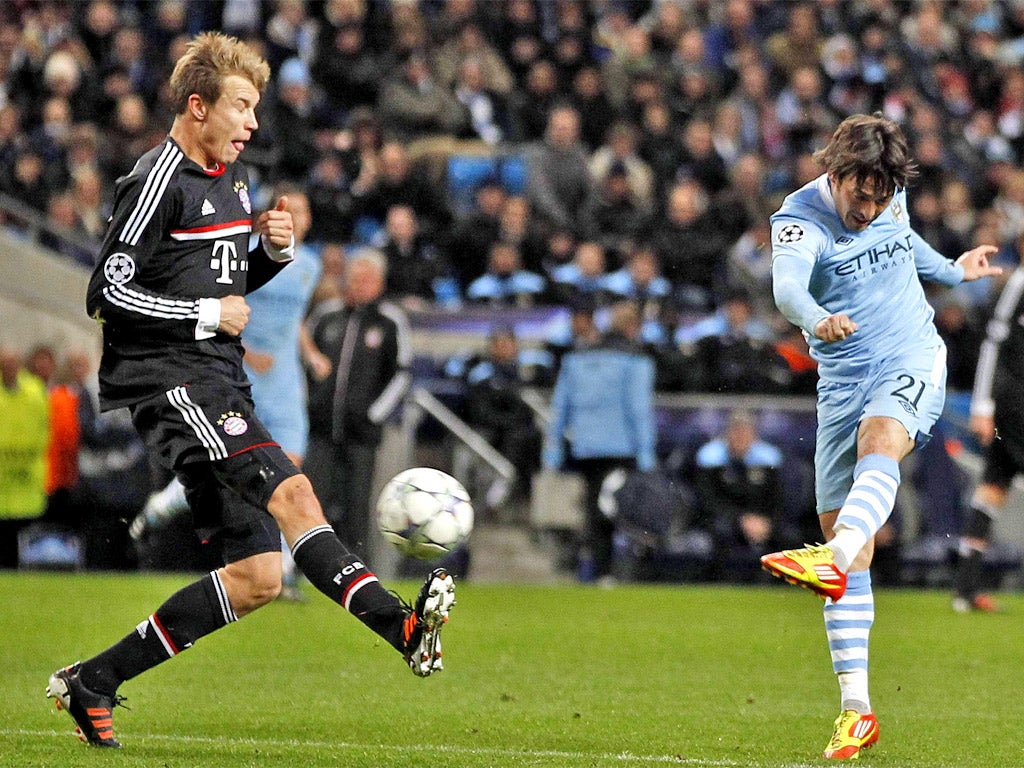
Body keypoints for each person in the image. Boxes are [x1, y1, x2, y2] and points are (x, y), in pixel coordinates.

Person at [46, 33, 455, 750]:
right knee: (296, 495)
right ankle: (404, 629)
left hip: (216, 377)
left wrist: (264, 255)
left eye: (256, 108)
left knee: (260, 575)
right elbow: (105, 291)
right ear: (197, 106)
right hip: (171, 384)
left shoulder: (231, 180)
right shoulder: (157, 179)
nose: (252, 122)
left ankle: (94, 681)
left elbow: (221, 284)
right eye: (240, 106)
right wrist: (205, 313)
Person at [759, 113, 1001, 761]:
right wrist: (816, 316)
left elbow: (904, 241)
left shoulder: (888, 197)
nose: (870, 208)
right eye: (859, 195)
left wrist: (953, 270)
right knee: (852, 543)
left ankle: (828, 558)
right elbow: (786, 288)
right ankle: (857, 711)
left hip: (910, 356)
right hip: (839, 381)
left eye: (881, 196)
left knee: (880, 439)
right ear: (833, 174)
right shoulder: (798, 219)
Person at [304, 248, 412, 559]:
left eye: (365, 280)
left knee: (357, 503)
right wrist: (311, 402)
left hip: (362, 433)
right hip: (321, 427)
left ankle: (354, 566)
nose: (357, 286)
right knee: (312, 498)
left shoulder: (390, 321)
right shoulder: (326, 314)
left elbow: (401, 374)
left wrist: (373, 414)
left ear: (379, 283)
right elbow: (304, 359)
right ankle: (309, 564)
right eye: (353, 279)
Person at [543, 302, 656, 584]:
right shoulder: (636, 359)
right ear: (633, 327)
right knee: (625, 511)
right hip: (623, 447)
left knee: (596, 510)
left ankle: (596, 570)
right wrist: (646, 454)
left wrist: (553, 451)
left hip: (587, 447)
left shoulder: (577, 357)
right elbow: (637, 409)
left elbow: (560, 408)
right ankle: (620, 572)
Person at [952, 241, 1024, 613]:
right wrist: (982, 405)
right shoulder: (1019, 283)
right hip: (1015, 405)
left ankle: (965, 589)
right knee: (993, 488)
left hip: (1011, 407)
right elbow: (992, 344)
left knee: (992, 489)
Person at [0, 347, 50, 568]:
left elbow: (44, 429)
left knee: (24, 534)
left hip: (27, 476)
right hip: (5, 478)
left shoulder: (34, 390)